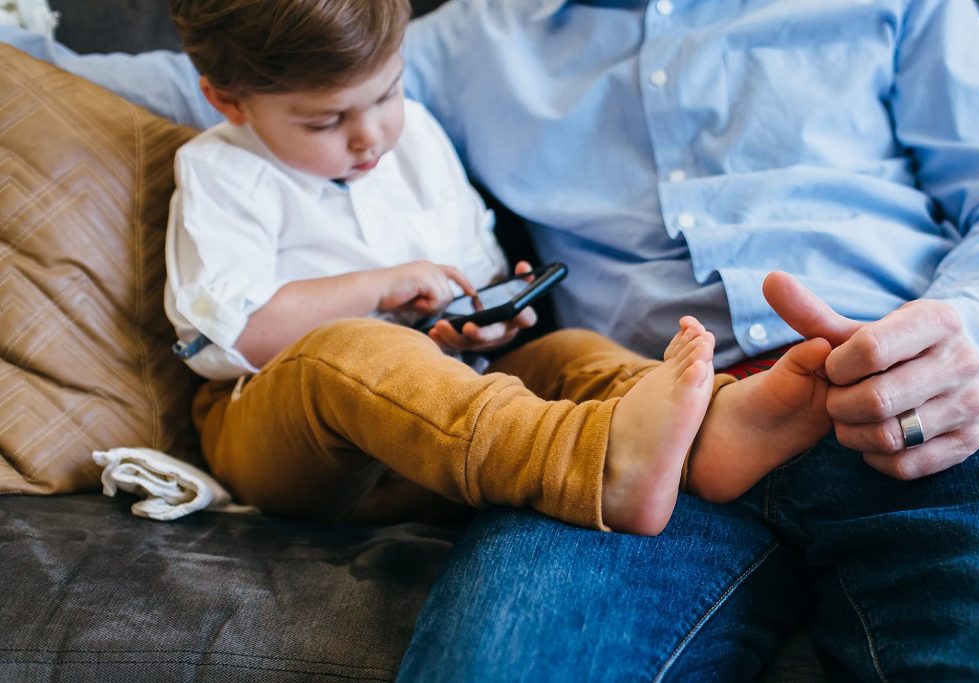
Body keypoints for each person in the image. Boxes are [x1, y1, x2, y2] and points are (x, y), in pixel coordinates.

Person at [2, 0, 979, 677]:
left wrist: (963, 335)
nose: (368, 131)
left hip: (913, 400)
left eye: (380, 105)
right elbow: (237, 77)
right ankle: (678, 432)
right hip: (622, 433)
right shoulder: (460, 45)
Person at [155, 0, 839, 538]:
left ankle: (712, 429)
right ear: (228, 102)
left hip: (444, 440)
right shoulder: (222, 169)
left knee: (570, 353)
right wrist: (376, 288)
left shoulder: (413, 135)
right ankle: (592, 467)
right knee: (353, 348)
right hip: (297, 442)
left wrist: (474, 324)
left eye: (386, 94)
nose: (370, 136)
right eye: (325, 120)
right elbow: (223, 337)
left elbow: (467, 275)